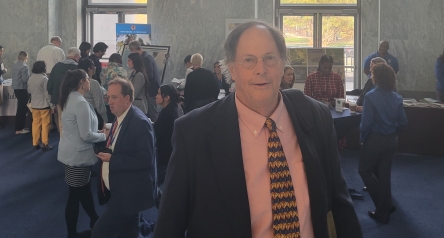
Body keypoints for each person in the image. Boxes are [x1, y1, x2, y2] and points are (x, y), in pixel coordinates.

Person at [154, 21, 361, 237]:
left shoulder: (316, 117)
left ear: (283, 65)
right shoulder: (193, 132)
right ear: (232, 69)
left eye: (270, 58)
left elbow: (340, 204)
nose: (260, 70)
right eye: (249, 60)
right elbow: (169, 225)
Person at [92, 78, 157, 238]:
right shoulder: (122, 116)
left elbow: (144, 159)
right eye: (108, 97)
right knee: (130, 231)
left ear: (127, 99)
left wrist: (111, 159)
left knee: (99, 232)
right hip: (121, 190)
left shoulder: (139, 123)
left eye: (114, 97)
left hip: (129, 194)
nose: (109, 102)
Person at [57, 69, 106, 238]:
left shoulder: (71, 98)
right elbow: (86, 135)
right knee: (75, 195)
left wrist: (96, 131)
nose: (89, 81)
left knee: (82, 191)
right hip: (77, 156)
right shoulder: (80, 103)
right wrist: (104, 135)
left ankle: (94, 219)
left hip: (72, 153)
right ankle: (73, 233)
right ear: (80, 82)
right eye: (87, 79)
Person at [359, 63, 408, 224]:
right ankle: (386, 208)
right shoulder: (396, 97)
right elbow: (403, 122)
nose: (371, 77)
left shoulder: (371, 96)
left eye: (372, 74)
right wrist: (391, 130)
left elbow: (366, 124)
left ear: (377, 77)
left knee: (364, 171)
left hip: (375, 140)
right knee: (384, 175)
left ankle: (383, 207)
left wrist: (362, 139)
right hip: (392, 140)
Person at [154, 84, 183, 186]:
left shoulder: (166, 113)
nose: (156, 96)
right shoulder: (177, 107)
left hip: (165, 154)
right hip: (175, 151)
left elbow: (156, 132)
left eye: (158, 94)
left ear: (167, 97)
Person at [47, 47, 80, 134]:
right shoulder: (77, 67)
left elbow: (49, 85)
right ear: (76, 56)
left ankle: (62, 139)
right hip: (73, 99)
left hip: (58, 98)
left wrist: (53, 95)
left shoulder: (56, 66)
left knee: (61, 120)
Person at [129, 40, 160, 121]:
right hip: (148, 90)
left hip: (150, 91)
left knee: (153, 114)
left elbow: (149, 75)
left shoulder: (145, 58)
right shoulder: (145, 56)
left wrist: (139, 80)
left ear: (134, 49)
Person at [27, 61, 52, 150]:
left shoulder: (31, 78)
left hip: (34, 105)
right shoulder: (44, 79)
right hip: (44, 105)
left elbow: (29, 91)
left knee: (35, 124)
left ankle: (35, 142)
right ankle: (45, 143)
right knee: (45, 124)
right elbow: (47, 94)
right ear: (43, 68)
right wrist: (52, 105)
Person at [78, 58, 108, 130]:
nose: (95, 68)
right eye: (94, 66)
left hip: (79, 114)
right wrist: (105, 119)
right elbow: (99, 104)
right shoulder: (93, 83)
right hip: (93, 115)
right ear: (89, 68)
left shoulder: (75, 82)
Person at [100, 53, 128, 123]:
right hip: (117, 99)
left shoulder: (103, 70)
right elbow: (126, 84)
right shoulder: (122, 70)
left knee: (109, 120)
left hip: (105, 98)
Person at [11, 51, 30, 134]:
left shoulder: (15, 65)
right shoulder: (24, 66)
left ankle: (19, 127)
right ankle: (19, 129)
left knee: (20, 108)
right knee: (22, 109)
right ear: (26, 57)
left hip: (16, 88)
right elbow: (25, 79)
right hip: (22, 88)